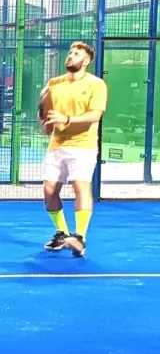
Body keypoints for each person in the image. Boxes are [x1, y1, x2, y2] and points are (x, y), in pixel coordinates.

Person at [40, 41, 108, 258]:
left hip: (83, 145)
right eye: (70, 53)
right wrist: (44, 122)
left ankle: (80, 237)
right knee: (49, 191)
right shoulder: (54, 83)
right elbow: (45, 111)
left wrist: (67, 119)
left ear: (86, 61)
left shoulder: (96, 84)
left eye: (77, 54)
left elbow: (94, 115)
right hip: (57, 145)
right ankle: (62, 233)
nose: (70, 56)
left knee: (80, 186)